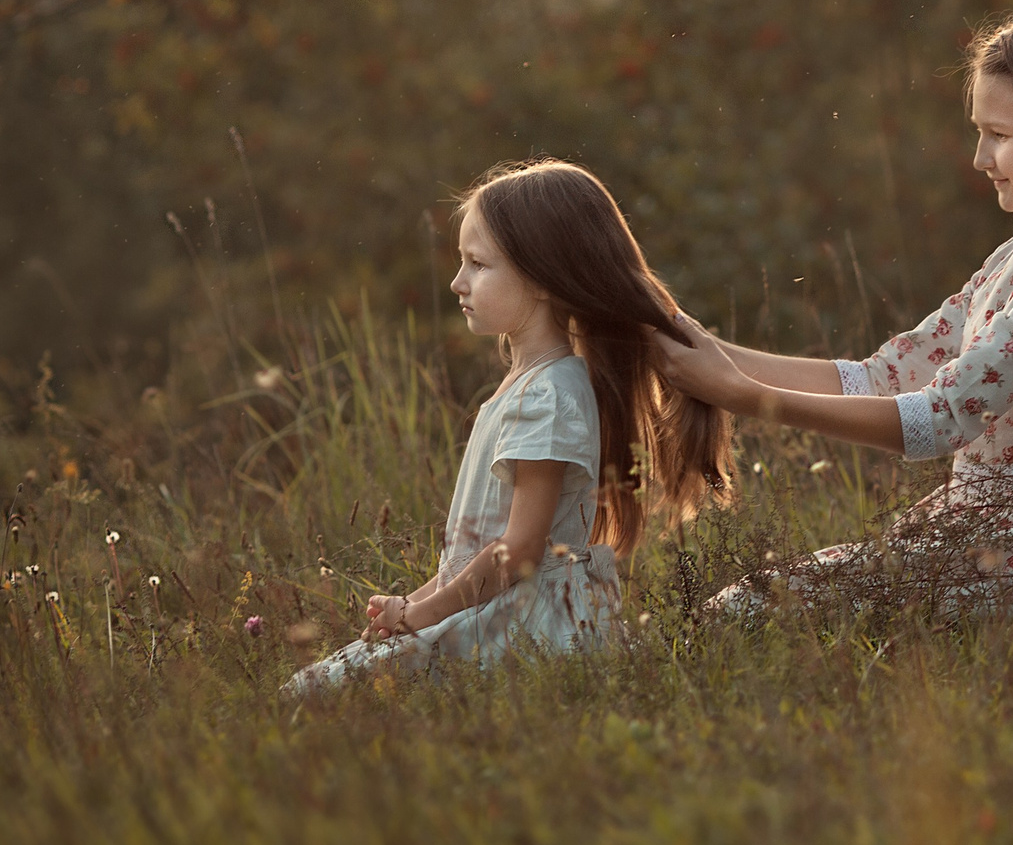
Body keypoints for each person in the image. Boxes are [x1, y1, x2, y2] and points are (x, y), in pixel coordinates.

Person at [653, 6, 1013, 612]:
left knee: (751, 607)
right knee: (750, 604)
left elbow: (941, 418)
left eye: (999, 135)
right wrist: (713, 354)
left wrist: (742, 395)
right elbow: (882, 377)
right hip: (987, 530)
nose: (980, 157)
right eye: (980, 132)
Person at [287, 160, 729, 694]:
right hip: (499, 608)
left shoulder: (547, 396)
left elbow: (519, 551)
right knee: (318, 686)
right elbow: (474, 556)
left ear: (541, 277)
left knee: (312, 694)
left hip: (527, 627)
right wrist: (411, 605)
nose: (458, 282)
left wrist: (421, 616)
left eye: (478, 264)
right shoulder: (532, 386)